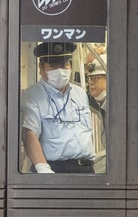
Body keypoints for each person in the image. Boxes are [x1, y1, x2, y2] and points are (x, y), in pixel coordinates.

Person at [20, 41, 96, 173]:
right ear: (41, 68)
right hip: (53, 170)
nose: (59, 71)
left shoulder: (80, 93)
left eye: (63, 65)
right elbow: (29, 133)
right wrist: (42, 168)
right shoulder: (33, 95)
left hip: (86, 169)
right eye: (53, 66)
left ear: (71, 66)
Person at [85, 58, 108, 173]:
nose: (91, 82)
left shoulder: (119, 105)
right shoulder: (98, 103)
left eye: (96, 78)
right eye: (89, 78)